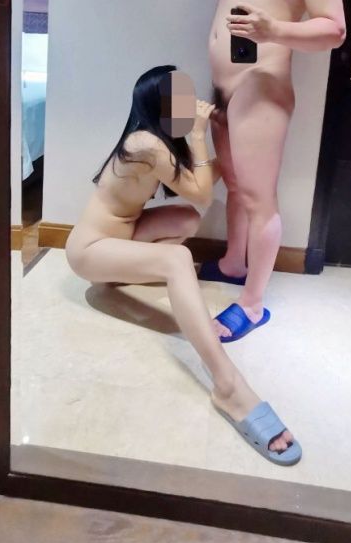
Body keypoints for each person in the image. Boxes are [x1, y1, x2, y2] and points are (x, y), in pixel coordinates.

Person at [65, 65, 301, 465]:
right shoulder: (144, 143)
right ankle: (228, 385)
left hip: (123, 235)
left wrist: (225, 140)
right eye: (180, 98)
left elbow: (200, 183)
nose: (190, 104)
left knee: (186, 221)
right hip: (90, 249)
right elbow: (203, 193)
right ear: (159, 103)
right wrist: (198, 133)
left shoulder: (157, 141)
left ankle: (130, 272)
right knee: (178, 259)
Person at [201, 0, 347, 342]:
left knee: (259, 197)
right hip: (225, 83)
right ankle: (233, 262)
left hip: (261, 87)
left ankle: (253, 303)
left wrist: (274, 30)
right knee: (235, 183)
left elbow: (334, 30)